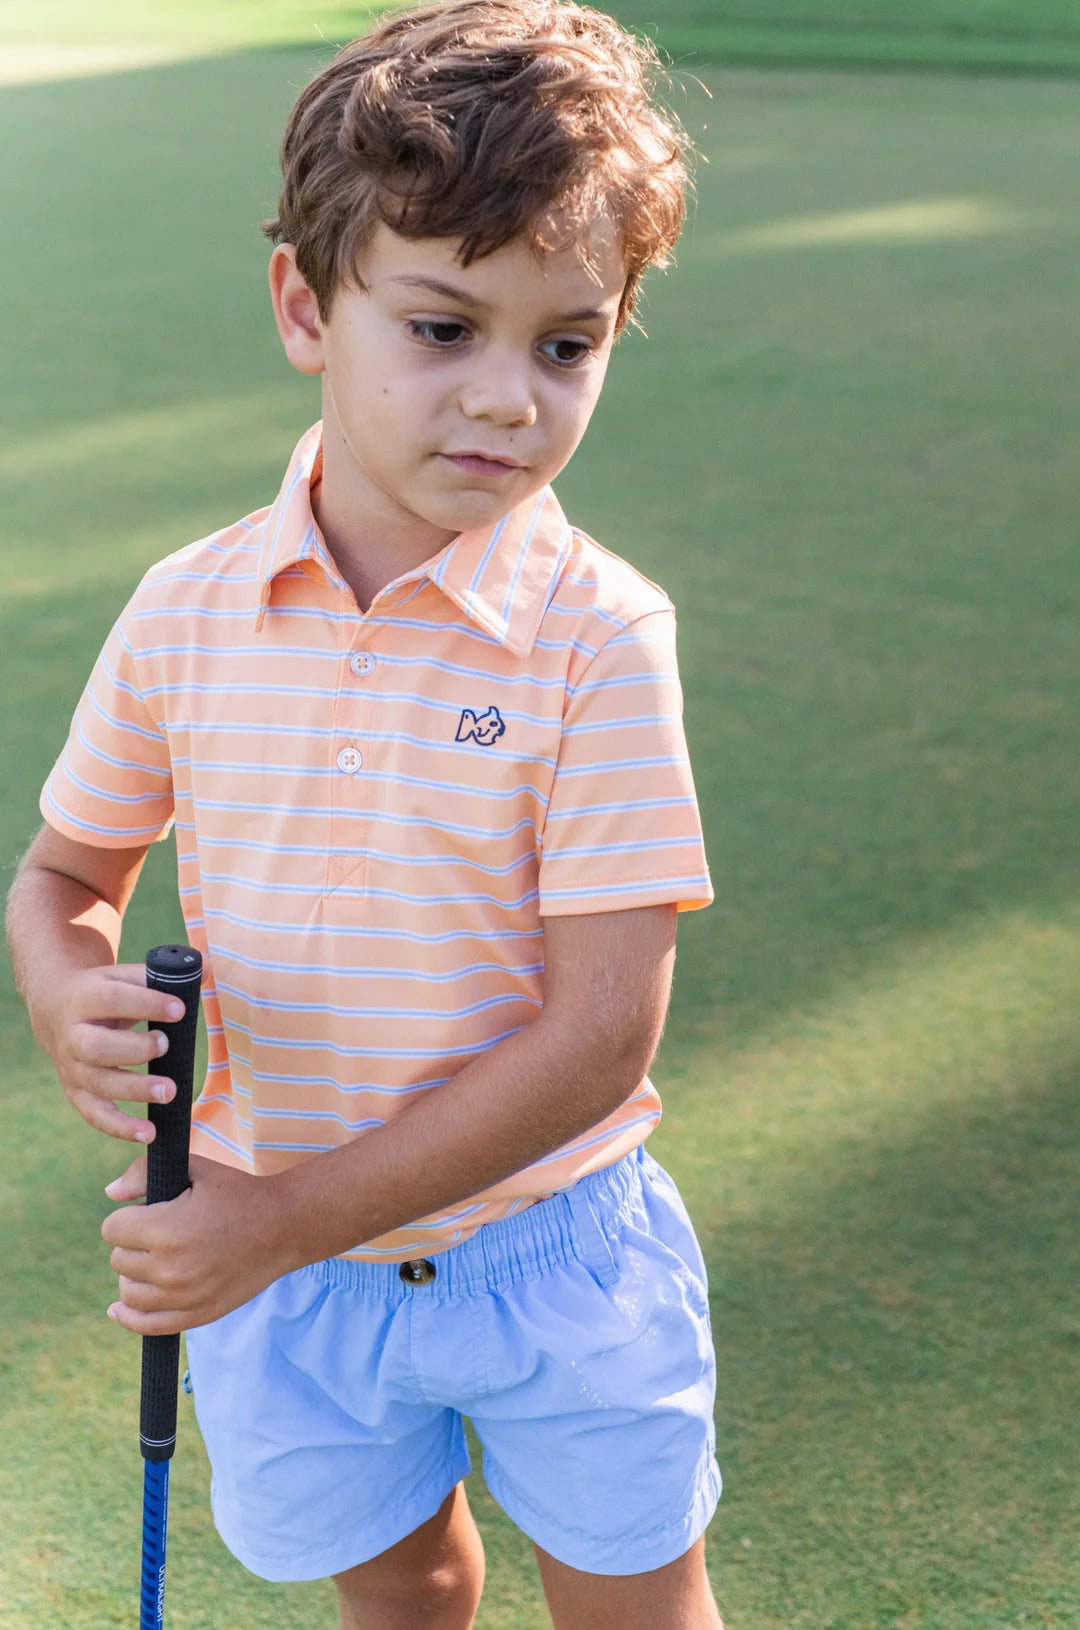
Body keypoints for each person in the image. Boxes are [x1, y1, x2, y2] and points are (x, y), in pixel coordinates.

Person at [5, 3, 722, 1625]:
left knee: (638, 1607)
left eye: (567, 342)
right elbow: (64, 873)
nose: (507, 400)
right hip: (290, 1272)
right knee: (400, 1590)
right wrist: (64, 993)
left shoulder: (601, 636)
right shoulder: (185, 611)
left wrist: (269, 1221)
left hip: (551, 1256)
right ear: (305, 306)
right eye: (444, 324)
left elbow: (605, 1033)